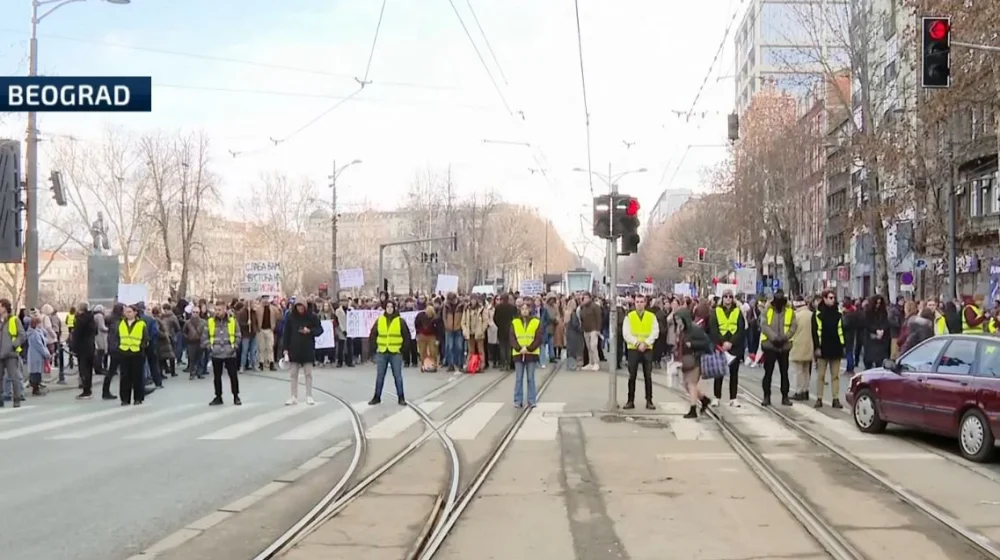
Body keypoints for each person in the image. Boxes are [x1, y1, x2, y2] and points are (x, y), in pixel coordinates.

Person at [368, 300, 412, 405]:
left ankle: (401, 397)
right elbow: (373, 335)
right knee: (380, 376)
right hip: (382, 351)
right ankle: (377, 397)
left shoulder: (400, 321)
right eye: (387, 307)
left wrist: (402, 350)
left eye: (391, 307)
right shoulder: (380, 320)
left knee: (397, 376)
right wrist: (374, 349)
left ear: (394, 308)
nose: (389, 308)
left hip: (395, 352)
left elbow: (407, 336)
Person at [759, 290, 797, 407]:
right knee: (768, 372)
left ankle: (785, 396)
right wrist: (774, 337)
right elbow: (764, 325)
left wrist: (785, 337)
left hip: (784, 346)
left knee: (784, 373)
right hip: (770, 345)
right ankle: (766, 396)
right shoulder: (767, 310)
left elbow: (793, 326)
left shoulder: (790, 311)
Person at [282, 299, 323, 405]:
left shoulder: (312, 316)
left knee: (308, 373)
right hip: (294, 348)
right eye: (298, 306)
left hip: (307, 348)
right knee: (293, 374)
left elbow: (320, 330)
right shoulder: (291, 317)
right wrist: (285, 349)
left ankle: (309, 395)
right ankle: (293, 396)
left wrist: (310, 331)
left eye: (302, 306)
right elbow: (286, 334)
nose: (300, 308)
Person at [708, 289, 744, 407]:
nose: (728, 299)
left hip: (734, 347)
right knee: (719, 373)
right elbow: (713, 329)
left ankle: (733, 398)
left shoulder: (738, 312)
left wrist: (731, 343)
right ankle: (716, 397)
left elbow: (741, 329)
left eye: (730, 296)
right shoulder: (715, 311)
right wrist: (722, 342)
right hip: (720, 346)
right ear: (722, 298)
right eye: (725, 296)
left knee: (734, 373)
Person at [622, 294, 659, 410]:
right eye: (637, 302)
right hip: (633, 349)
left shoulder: (651, 316)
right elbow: (626, 333)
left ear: (645, 303)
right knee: (632, 376)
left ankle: (649, 401)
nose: (639, 304)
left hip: (647, 349)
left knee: (648, 376)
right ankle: (630, 400)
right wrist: (637, 343)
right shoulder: (629, 316)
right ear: (634, 303)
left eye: (641, 301)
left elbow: (655, 332)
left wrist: (646, 343)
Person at [203, 302, 242, 406]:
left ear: (225, 309)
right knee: (217, 377)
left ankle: (236, 396)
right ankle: (218, 396)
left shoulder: (232, 321)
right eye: (216, 310)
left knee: (233, 376)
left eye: (219, 310)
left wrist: (235, 347)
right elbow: (205, 336)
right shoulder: (210, 321)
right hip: (216, 353)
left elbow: (238, 335)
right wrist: (210, 348)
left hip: (230, 353)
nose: (217, 312)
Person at [811, 290, 845, 409]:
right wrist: (817, 348)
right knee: (821, 375)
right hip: (823, 348)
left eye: (833, 298)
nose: (832, 300)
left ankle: (835, 399)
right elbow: (815, 332)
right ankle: (819, 398)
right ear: (824, 299)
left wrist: (842, 345)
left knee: (835, 376)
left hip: (836, 348)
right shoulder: (818, 314)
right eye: (830, 298)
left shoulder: (838, 313)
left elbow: (841, 330)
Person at [511, 300, 542, 408]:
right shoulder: (515, 322)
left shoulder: (536, 322)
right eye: (522, 309)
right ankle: (517, 400)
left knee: (530, 378)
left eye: (526, 309)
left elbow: (538, 338)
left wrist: (529, 348)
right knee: (519, 378)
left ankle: (531, 400)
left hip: (531, 353)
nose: (524, 311)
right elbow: (512, 338)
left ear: (530, 310)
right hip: (518, 353)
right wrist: (519, 348)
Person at [115, 304, 149, 406]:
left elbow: (145, 338)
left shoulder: (141, 324)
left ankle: (138, 398)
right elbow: (117, 337)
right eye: (126, 312)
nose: (127, 314)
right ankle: (125, 399)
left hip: (136, 353)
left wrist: (141, 348)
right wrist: (118, 347)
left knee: (137, 377)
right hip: (124, 352)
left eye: (130, 312)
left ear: (135, 313)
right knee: (125, 377)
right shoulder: (121, 323)